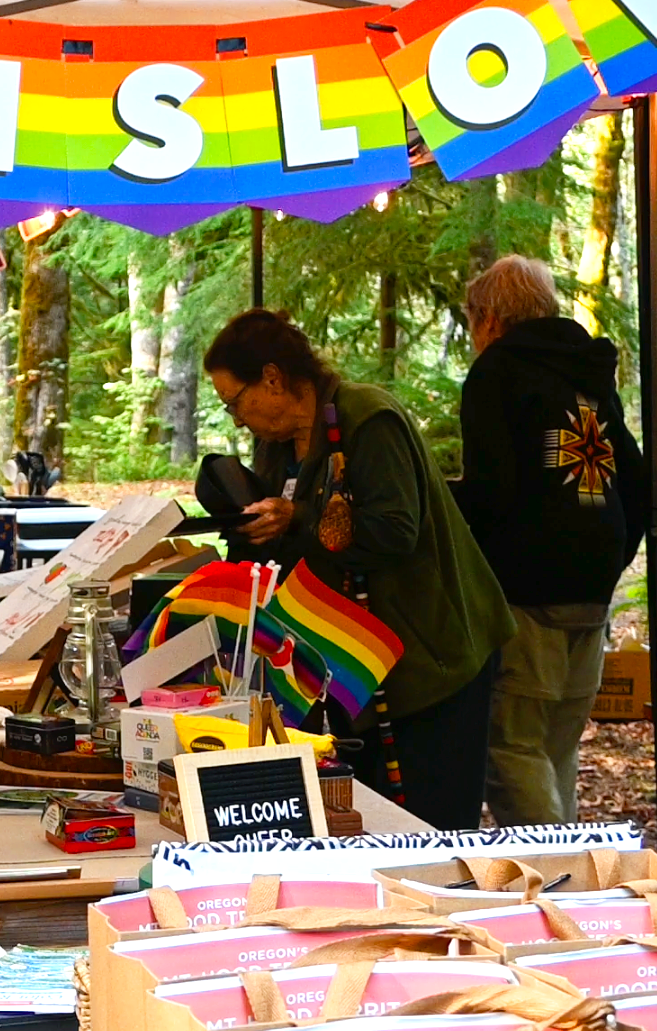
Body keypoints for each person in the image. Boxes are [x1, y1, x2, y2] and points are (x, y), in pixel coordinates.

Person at [204, 308, 514, 829]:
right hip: (357, 666)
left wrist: (298, 518)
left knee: (428, 827)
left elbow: (395, 531)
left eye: (236, 402)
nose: (237, 418)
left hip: (431, 659)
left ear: (274, 379)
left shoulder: (366, 417)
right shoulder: (280, 446)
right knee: (369, 823)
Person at [453, 256, 647, 824]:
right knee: (556, 746)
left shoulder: (497, 374)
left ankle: (554, 881)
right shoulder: (586, 373)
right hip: (591, 588)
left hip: (528, 591)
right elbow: (633, 480)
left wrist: (442, 504)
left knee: (512, 747)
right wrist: (608, 557)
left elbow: (492, 490)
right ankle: (573, 863)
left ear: (488, 318)